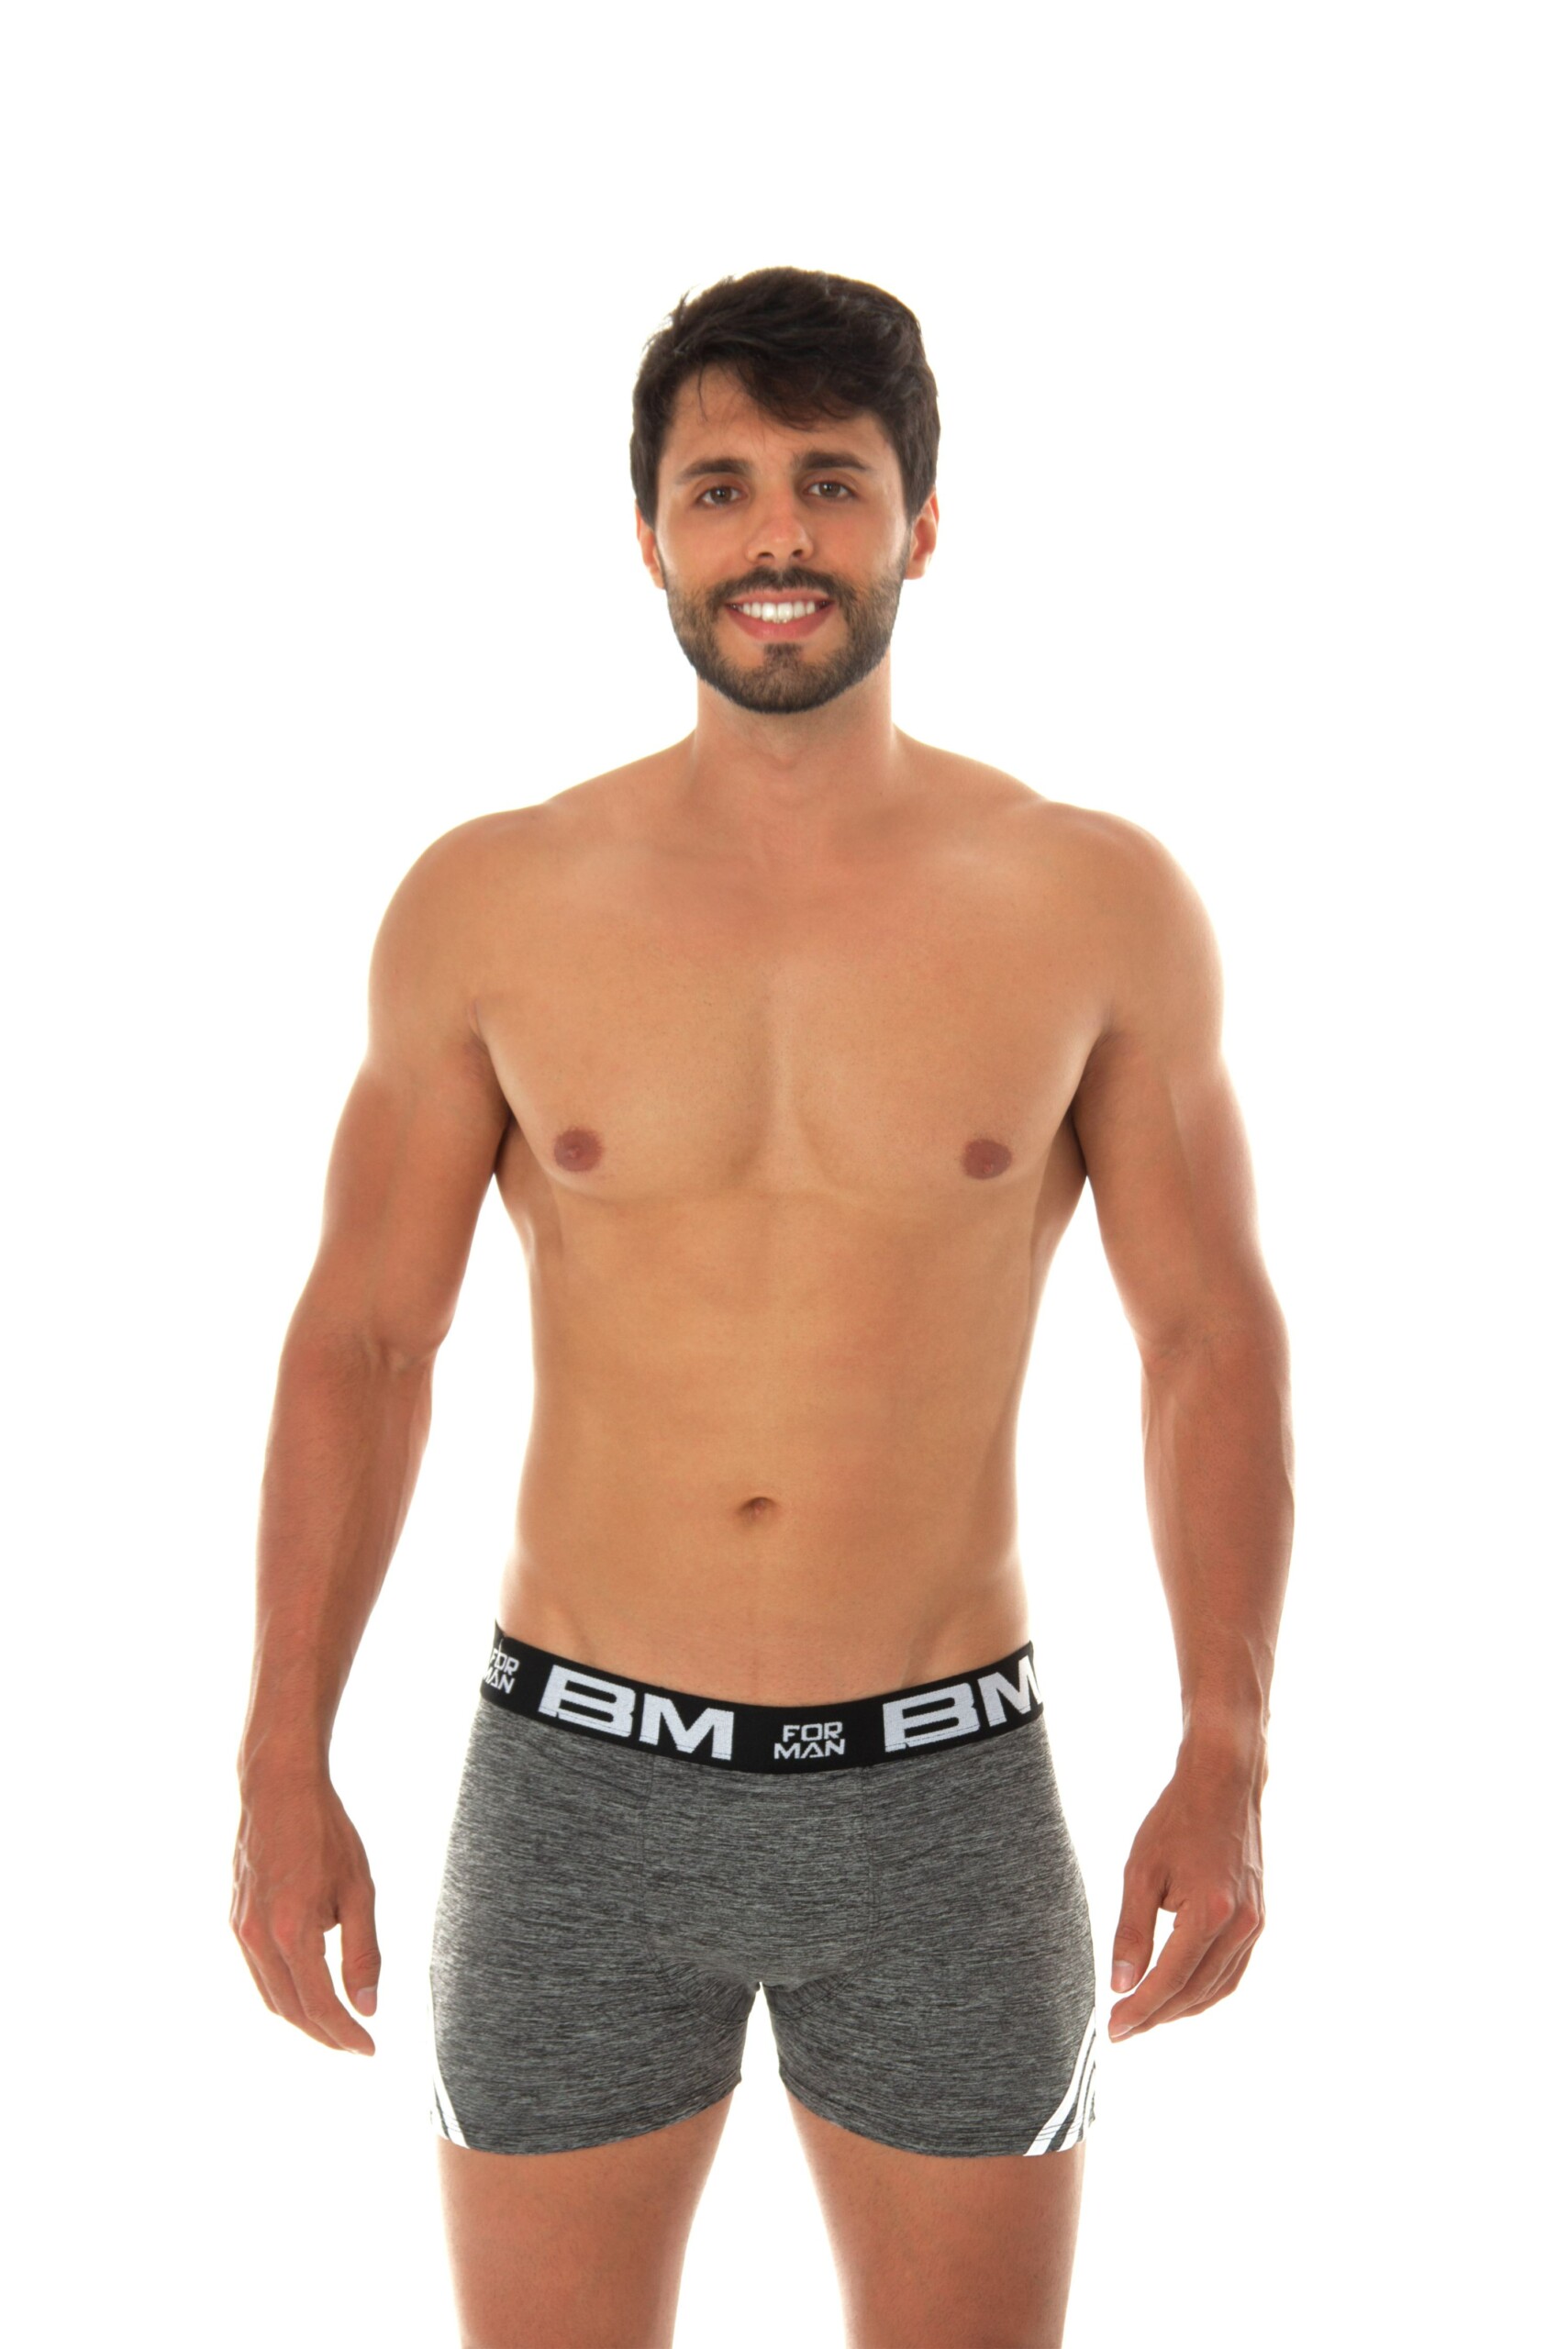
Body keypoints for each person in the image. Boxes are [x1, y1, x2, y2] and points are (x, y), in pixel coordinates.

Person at [231, 265, 1293, 2349]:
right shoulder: (491, 900)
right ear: (649, 535)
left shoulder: (1092, 899)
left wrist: (1229, 1745)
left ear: (921, 521)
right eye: (720, 489)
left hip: (945, 1789)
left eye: (831, 480)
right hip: (576, 1782)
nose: (776, 536)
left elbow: (1209, 1338)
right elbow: (364, 1337)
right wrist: (281, 1753)